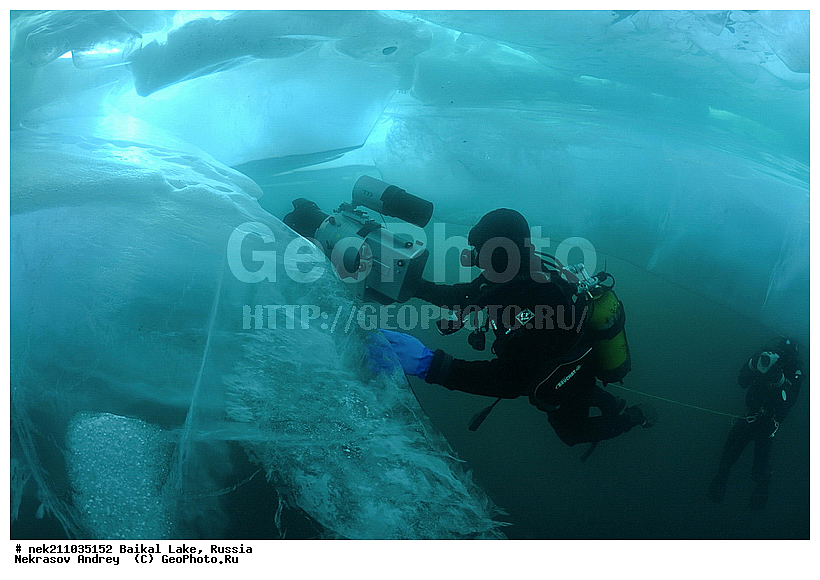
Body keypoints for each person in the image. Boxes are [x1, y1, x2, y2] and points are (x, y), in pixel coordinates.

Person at [373, 208, 657, 448]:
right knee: (577, 384)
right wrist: (413, 286)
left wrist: (432, 366)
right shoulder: (512, 272)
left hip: (563, 367)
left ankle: (631, 418)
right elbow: (465, 297)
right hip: (567, 360)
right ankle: (610, 403)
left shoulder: (540, 297)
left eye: (481, 250)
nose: (476, 258)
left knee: (572, 432)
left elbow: (514, 381)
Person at [708, 338, 804, 509]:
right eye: (779, 353)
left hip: (768, 424)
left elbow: (789, 402)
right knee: (728, 454)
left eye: (785, 356)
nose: (780, 358)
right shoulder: (763, 357)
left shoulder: (794, 371)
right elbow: (742, 382)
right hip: (749, 416)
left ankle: (761, 490)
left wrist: (780, 381)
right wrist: (753, 366)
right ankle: (720, 482)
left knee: (759, 470)